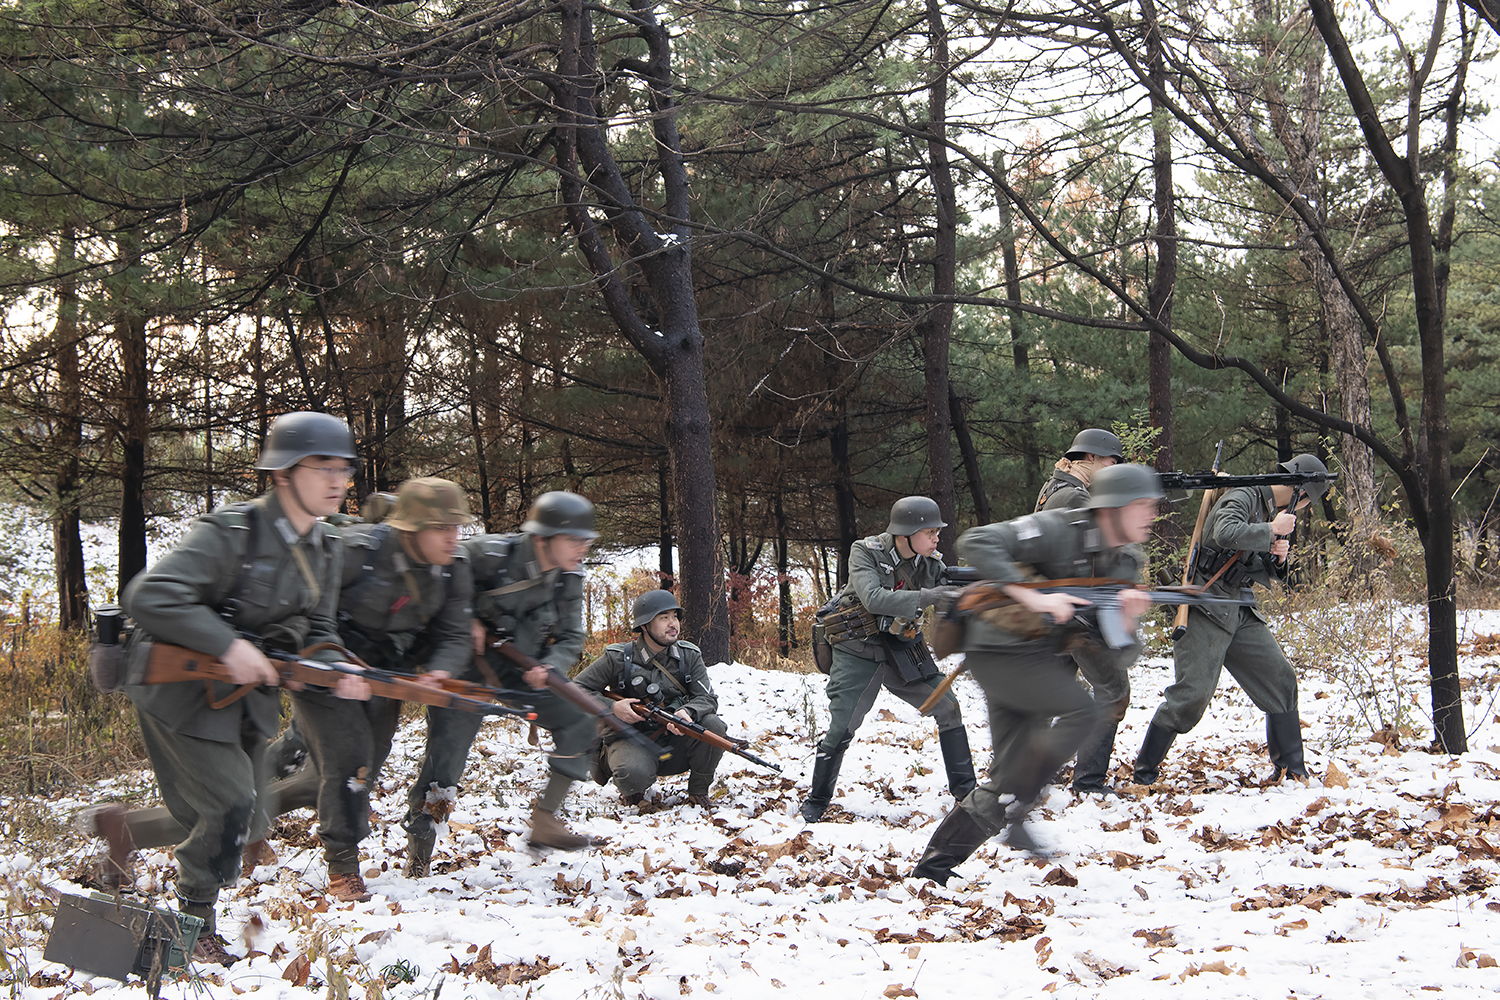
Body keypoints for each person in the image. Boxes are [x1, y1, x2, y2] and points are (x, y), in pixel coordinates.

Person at [83, 412, 370, 964]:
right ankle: (192, 931)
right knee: (230, 804)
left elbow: (320, 628)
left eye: (344, 469)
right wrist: (228, 645)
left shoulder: (326, 546)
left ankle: (122, 833)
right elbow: (149, 594)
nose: (338, 480)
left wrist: (339, 666)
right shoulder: (233, 532)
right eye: (324, 468)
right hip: (178, 687)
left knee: (243, 810)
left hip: (243, 698)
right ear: (283, 473)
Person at [911, 464, 1162, 884]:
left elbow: (1119, 659)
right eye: (1143, 505)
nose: (1152, 514)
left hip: (1035, 657)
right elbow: (977, 541)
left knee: (1006, 782)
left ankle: (931, 871)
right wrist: (1033, 595)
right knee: (1082, 712)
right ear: (1114, 507)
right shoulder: (1061, 527)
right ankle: (1020, 805)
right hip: (996, 648)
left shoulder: (1124, 562)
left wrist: (1127, 621)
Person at [254, 477, 478, 888]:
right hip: (324, 663)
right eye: (442, 528)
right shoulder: (355, 552)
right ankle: (342, 865)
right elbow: (303, 607)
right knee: (349, 759)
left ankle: (247, 806)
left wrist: (440, 671)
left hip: (383, 674)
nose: (453, 537)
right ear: (412, 528)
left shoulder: (454, 568)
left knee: (363, 765)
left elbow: (455, 633)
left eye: (456, 527)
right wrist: (332, 662)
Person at [405, 491, 602, 852]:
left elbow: (572, 636)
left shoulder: (569, 577)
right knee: (444, 765)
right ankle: (419, 853)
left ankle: (545, 820)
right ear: (541, 538)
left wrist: (551, 665)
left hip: (521, 667)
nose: (582, 548)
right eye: (574, 539)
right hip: (465, 666)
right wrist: (465, 618)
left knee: (580, 719)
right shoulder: (491, 554)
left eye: (585, 540)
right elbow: (443, 570)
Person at [1133, 454, 1330, 788]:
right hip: (1206, 606)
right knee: (1191, 696)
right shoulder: (1245, 495)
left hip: (1238, 606)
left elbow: (1251, 561)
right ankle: (1144, 774)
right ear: (1300, 491)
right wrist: (1271, 530)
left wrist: (1277, 559)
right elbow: (1224, 533)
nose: (1306, 507)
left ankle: (1292, 770)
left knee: (1280, 679)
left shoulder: (1268, 508)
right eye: (1308, 500)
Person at [799, 496, 976, 823]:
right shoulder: (865, 552)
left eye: (937, 532)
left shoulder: (928, 563)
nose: (937, 538)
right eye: (930, 532)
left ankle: (967, 794)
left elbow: (950, 589)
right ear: (905, 533)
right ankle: (817, 799)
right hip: (857, 651)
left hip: (902, 648)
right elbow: (873, 598)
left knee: (948, 706)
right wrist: (931, 596)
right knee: (842, 727)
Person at [1036, 427, 1132, 795]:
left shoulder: (1054, 489)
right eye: (1110, 462)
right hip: (1078, 611)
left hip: (1062, 609)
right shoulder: (1074, 497)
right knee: (1113, 690)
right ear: (1089, 458)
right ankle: (1088, 782)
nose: (1113, 468)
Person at [574, 590, 726, 811]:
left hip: (675, 742)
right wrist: (613, 707)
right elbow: (576, 689)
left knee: (713, 726)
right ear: (644, 625)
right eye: (664, 617)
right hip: (630, 740)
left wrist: (688, 712)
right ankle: (634, 791)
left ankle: (698, 792)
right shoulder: (617, 658)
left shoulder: (689, 656)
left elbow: (707, 698)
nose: (673, 623)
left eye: (675, 616)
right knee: (632, 772)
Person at [1036, 428, 1124, 512]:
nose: (1113, 469)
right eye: (1112, 463)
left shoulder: (1052, 483)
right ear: (1092, 456)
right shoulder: (1077, 497)